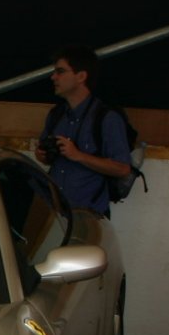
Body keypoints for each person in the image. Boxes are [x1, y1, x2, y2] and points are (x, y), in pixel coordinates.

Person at [35, 45, 131, 215]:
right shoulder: (56, 115)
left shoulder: (107, 118)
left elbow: (122, 168)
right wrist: (42, 155)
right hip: (53, 211)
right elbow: (46, 157)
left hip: (87, 214)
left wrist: (78, 156)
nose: (53, 77)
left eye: (61, 71)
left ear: (81, 76)